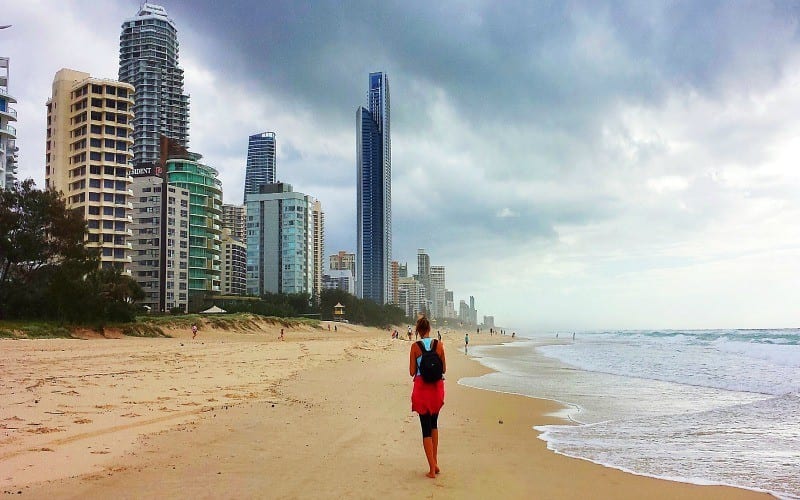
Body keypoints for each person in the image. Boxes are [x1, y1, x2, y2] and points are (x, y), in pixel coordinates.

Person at [409, 316, 445, 478]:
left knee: (425, 428)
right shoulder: (439, 345)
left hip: (422, 389)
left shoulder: (415, 347)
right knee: (434, 424)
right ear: (429, 329)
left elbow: (411, 372)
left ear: (418, 331)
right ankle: (435, 462)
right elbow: (443, 369)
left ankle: (431, 469)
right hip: (437, 388)